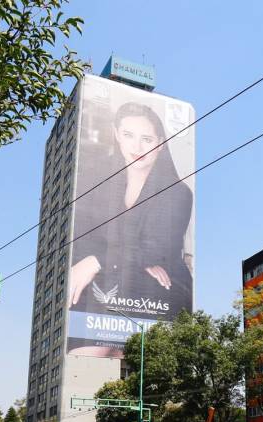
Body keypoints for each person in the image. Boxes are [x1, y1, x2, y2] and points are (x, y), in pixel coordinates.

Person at [68, 101, 194, 357]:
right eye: (128, 135)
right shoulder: (95, 180)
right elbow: (82, 239)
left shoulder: (178, 193)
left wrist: (99, 259)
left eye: (146, 139)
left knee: (115, 350)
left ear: (160, 141)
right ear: (116, 134)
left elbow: (159, 249)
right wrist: (134, 257)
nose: (137, 147)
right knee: (87, 349)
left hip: (161, 287)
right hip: (104, 281)